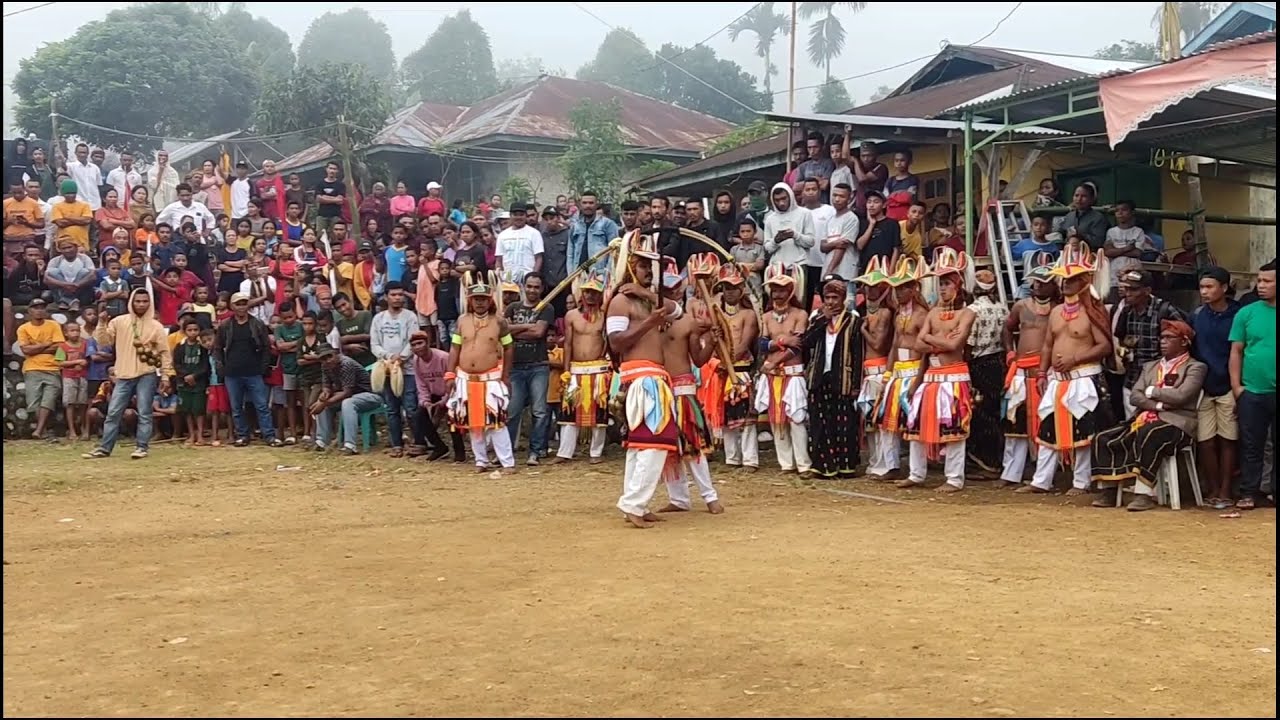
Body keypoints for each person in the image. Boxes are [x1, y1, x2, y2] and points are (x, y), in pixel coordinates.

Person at [1018, 245, 1114, 495]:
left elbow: (1105, 346)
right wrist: (1042, 373)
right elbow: (1048, 344)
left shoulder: (1094, 310)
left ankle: (1081, 482)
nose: (1065, 284)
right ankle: (1041, 480)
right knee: (1048, 427)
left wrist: (1075, 358)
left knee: (1083, 431)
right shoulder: (1057, 311)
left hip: (1084, 377)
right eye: (1064, 280)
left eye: (1071, 280)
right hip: (1058, 380)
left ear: (1084, 281)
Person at [1090, 320, 1206, 510]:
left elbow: (1182, 396)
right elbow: (1135, 396)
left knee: (1150, 434)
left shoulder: (1195, 367)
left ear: (1184, 342)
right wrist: (1159, 404)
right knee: (1103, 437)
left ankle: (1143, 493)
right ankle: (1108, 490)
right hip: (1146, 417)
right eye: (1162, 337)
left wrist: (1151, 391)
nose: (1162, 341)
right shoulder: (1150, 367)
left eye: (1169, 338)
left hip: (1177, 423)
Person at [606, 232, 679, 528]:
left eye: (652, 266)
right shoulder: (620, 303)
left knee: (641, 445)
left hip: (653, 378)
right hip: (642, 379)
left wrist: (648, 296)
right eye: (643, 265)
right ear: (629, 267)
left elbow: (678, 311)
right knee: (653, 442)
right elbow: (616, 343)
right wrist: (650, 321)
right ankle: (634, 503)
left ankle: (634, 502)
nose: (650, 271)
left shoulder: (651, 301)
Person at [899, 249, 977, 492]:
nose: (942, 289)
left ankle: (954, 478)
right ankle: (916, 474)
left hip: (953, 377)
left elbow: (955, 345)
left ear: (958, 286)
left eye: (947, 284)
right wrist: (940, 339)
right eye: (940, 284)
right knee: (917, 424)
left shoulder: (967, 313)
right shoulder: (932, 313)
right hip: (930, 379)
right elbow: (918, 344)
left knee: (953, 428)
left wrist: (933, 339)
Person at [653, 258, 723, 514]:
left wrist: (713, 343)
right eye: (666, 290)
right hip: (659, 388)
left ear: (679, 291)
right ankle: (679, 499)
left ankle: (709, 495)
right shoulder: (649, 322)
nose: (670, 293)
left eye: (674, 290)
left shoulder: (688, 323)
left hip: (683, 388)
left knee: (693, 446)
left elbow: (699, 359)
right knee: (667, 447)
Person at [82, 288, 173, 460]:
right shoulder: (119, 321)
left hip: (146, 373)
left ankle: (141, 447)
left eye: (145, 301)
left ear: (150, 303)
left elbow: (164, 353)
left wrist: (166, 376)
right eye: (137, 301)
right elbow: (103, 341)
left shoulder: (156, 326)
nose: (141, 304)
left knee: (145, 412)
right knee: (113, 412)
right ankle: (104, 448)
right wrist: (102, 323)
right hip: (123, 374)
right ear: (131, 302)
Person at [447, 271, 517, 472]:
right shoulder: (462, 321)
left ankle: (507, 462)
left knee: (496, 421)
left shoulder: (500, 322)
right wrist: (449, 374)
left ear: (490, 301)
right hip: (466, 379)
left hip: (491, 378)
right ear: (470, 300)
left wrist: (505, 376)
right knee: (473, 422)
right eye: (476, 299)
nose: (480, 303)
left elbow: (509, 347)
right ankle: (481, 461)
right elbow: (455, 349)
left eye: (483, 299)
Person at [999, 265, 1059, 487]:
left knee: (1044, 421)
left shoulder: (1058, 309)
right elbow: (1007, 328)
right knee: (1015, 422)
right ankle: (1010, 474)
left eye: (1043, 282)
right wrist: (1010, 352)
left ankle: (1043, 476)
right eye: (1035, 282)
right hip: (1020, 370)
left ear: (1053, 286)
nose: (1037, 286)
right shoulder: (1020, 306)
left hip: (1045, 372)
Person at [802, 274, 864, 478]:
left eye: (834, 298)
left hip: (842, 377)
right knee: (820, 423)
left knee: (844, 422)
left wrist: (856, 384)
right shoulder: (816, 318)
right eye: (827, 297)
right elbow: (806, 342)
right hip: (819, 376)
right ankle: (823, 466)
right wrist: (823, 320)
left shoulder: (853, 320)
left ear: (843, 298)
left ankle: (846, 466)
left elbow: (858, 354)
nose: (830, 302)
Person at [873, 256, 930, 481]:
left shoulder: (922, 314)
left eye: (902, 288)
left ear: (913, 289)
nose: (897, 293)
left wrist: (918, 380)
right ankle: (891, 466)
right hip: (897, 372)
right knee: (887, 422)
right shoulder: (899, 315)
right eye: (895, 289)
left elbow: (925, 350)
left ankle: (917, 473)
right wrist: (887, 374)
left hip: (915, 371)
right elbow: (895, 345)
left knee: (914, 424)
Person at [1191, 266, 1240, 508]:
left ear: (1224, 288)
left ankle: (1226, 491)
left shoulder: (1239, 315)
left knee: (1228, 440)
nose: (1204, 292)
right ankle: (1211, 489)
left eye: (1210, 287)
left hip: (1230, 385)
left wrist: (1238, 385)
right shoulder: (1198, 315)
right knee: (1206, 440)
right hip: (1204, 387)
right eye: (1202, 287)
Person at [1229, 260, 1276, 510]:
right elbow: (1236, 351)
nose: (1261, 285)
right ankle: (1249, 492)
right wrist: (1237, 387)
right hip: (1252, 391)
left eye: (1267, 281)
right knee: (1250, 444)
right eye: (1259, 281)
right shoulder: (1246, 312)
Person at [756, 263, 812, 474]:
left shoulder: (800, 314)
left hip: (792, 372)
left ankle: (803, 464)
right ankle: (786, 464)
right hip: (773, 375)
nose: (778, 294)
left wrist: (773, 360)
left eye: (782, 290)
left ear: (790, 292)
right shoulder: (766, 317)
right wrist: (780, 342)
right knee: (776, 420)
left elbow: (797, 346)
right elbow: (761, 344)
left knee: (796, 418)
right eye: (775, 290)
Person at [552, 272, 611, 464]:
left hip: (599, 369)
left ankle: (596, 452)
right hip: (576, 370)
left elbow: (608, 340)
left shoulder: (605, 316)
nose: (591, 296)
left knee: (599, 413)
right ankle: (564, 452)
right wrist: (566, 370)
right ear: (582, 294)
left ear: (600, 295)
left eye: (594, 292)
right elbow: (568, 344)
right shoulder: (571, 316)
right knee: (569, 411)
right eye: (587, 292)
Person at [217, 291, 280, 447]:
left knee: (261, 406)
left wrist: (263, 367)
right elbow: (218, 348)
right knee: (237, 407)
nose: (241, 307)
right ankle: (243, 435)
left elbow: (266, 347)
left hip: (253, 371)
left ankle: (269, 435)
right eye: (238, 304)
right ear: (232, 306)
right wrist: (221, 368)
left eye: (244, 303)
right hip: (232, 372)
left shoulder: (257, 324)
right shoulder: (225, 325)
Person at [504, 272, 554, 465]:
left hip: (538, 365)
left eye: (536, 287)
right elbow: (505, 331)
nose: (532, 290)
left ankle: (536, 450)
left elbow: (539, 332)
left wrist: (516, 329)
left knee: (540, 410)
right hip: (515, 367)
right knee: (512, 411)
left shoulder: (546, 307)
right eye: (529, 286)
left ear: (541, 289)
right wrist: (528, 326)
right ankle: (506, 453)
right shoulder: (512, 307)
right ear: (523, 286)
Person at [715, 262, 761, 472]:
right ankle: (732, 458)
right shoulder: (715, 314)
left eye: (733, 287)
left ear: (741, 289)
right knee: (726, 418)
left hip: (740, 371)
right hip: (723, 370)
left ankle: (750, 459)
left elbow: (743, 344)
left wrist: (728, 359)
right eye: (726, 288)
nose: (730, 292)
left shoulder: (748, 315)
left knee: (746, 419)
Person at [853, 257, 895, 478]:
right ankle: (874, 462)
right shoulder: (864, 311)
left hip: (879, 370)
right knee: (869, 422)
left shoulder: (885, 313)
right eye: (868, 287)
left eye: (875, 287)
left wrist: (863, 330)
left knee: (881, 421)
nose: (870, 291)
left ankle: (886, 464)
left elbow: (878, 344)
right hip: (867, 371)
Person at [965, 268, 1009, 474]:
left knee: (979, 411)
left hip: (979, 363)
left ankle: (982, 457)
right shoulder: (1002, 309)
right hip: (998, 363)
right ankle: (994, 457)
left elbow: (968, 343)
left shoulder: (973, 310)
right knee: (994, 410)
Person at [370, 281, 419, 457]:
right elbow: (374, 344)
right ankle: (396, 444)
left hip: (407, 370)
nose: (397, 298)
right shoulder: (379, 319)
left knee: (411, 408)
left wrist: (402, 357)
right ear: (386, 297)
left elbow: (413, 342)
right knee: (392, 409)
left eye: (400, 294)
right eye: (393, 295)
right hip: (386, 370)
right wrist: (388, 358)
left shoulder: (410, 317)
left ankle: (418, 443)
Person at [310, 346, 384, 455]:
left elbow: (347, 392)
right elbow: (326, 385)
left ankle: (350, 445)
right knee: (323, 403)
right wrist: (324, 395)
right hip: (351, 396)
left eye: (329, 356)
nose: (328, 360)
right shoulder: (325, 366)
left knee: (347, 403)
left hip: (370, 396)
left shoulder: (346, 364)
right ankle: (322, 442)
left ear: (336, 353)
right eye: (323, 358)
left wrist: (324, 402)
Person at [409, 330, 464, 462]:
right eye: (414, 345)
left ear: (427, 343)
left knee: (453, 419)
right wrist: (425, 402)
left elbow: (455, 378)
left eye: (420, 343)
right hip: (434, 394)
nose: (417, 347)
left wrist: (445, 400)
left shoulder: (443, 357)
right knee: (419, 416)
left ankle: (460, 453)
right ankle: (439, 447)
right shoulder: (416, 361)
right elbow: (420, 383)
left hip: (453, 392)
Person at [17, 298, 65, 440]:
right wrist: (47, 344)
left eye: (42, 307)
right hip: (32, 368)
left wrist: (36, 348)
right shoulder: (23, 328)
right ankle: (43, 431)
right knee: (33, 402)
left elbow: (59, 347)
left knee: (48, 400)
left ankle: (39, 430)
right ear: (29, 311)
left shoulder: (54, 325)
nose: (39, 310)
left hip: (53, 367)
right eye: (36, 307)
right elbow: (26, 350)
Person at [173, 317, 210, 445]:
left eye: (195, 330)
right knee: (187, 409)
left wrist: (194, 376)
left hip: (199, 382)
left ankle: (200, 435)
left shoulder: (203, 347)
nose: (193, 332)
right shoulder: (180, 347)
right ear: (184, 331)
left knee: (199, 409)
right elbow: (176, 364)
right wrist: (186, 376)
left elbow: (205, 366)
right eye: (190, 330)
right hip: (184, 383)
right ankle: (191, 434)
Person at [54, 320, 89, 441]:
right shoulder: (63, 346)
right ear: (66, 333)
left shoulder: (85, 344)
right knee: (70, 404)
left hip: (83, 376)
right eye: (72, 331)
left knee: (83, 404)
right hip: (69, 377)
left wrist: (84, 363)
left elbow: (89, 358)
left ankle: (84, 429)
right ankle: (72, 430)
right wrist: (77, 362)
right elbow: (60, 363)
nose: (75, 333)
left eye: (78, 331)